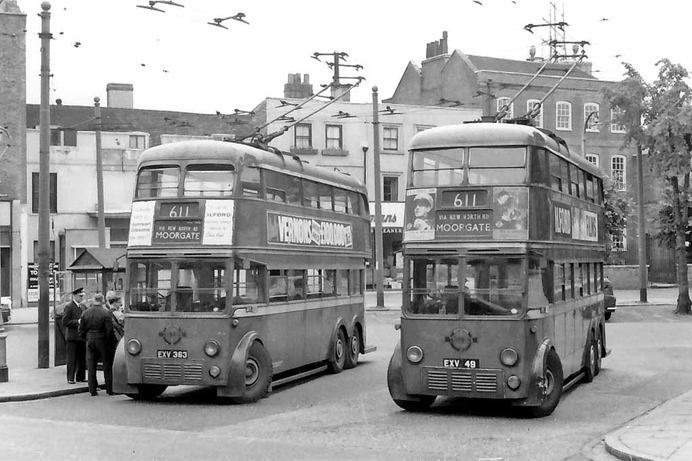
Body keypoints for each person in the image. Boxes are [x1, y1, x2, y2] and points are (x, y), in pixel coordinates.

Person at [78, 293, 114, 396]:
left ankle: (92, 389)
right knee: (107, 365)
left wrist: (86, 338)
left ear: (94, 300)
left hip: (89, 339)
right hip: (102, 340)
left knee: (91, 365)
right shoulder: (106, 313)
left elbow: (81, 329)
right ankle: (109, 389)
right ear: (102, 300)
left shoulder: (85, 313)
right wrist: (108, 341)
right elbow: (110, 331)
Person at [63, 287, 87, 384]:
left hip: (81, 336)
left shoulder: (83, 307)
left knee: (82, 358)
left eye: (82, 296)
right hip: (72, 337)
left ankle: (81, 376)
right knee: (72, 358)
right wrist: (77, 322)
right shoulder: (69, 307)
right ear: (75, 296)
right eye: (80, 296)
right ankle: (70, 377)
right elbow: (65, 321)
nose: (81, 298)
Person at [105, 291, 124, 366]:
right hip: (117, 339)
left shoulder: (106, 312)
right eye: (119, 302)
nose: (120, 304)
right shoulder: (118, 314)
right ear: (114, 303)